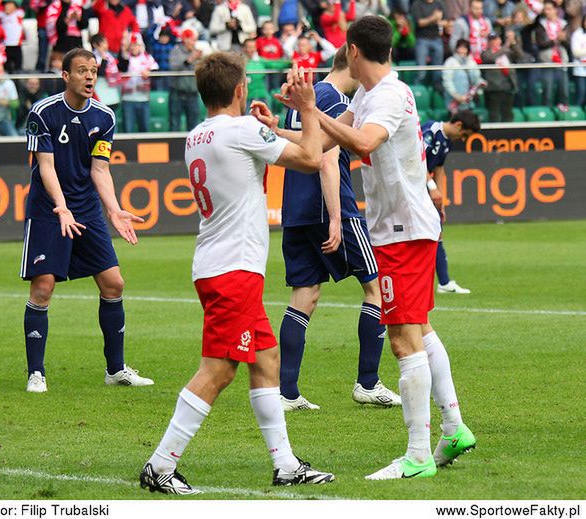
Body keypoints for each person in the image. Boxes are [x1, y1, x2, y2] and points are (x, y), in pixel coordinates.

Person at [266, 15, 475, 480]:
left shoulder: (388, 95)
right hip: (398, 227)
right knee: (419, 327)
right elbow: (318, 144)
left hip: (403, 229)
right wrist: (277, 126)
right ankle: (454, 428)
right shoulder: (365, 95)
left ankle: (419, 454)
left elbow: (361, 141)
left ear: (354, 51)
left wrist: (310, 107)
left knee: (402, 337)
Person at [140, 52, 334, 495]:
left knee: (266, 359)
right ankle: (160, 465)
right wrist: (306, 108)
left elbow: (248, 152)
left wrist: (265, 128)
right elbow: (310, 156)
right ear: (241, 89)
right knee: (220, 369)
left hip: (214, 263)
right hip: (234, 268)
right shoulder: (244, 130)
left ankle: (285, 465)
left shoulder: (196, 135)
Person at [252, 45, 401, 412]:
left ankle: (286, 392)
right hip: (331, 207)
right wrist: (337, 217)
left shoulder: (305, 98)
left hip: (297, 210)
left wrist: (273, 129)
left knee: (305, 294)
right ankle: (368, 382)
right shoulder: (332, 99)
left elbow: (300, 145)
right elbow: (328, 159)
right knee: (376, 287)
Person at [21, 48, 153, 393]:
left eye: (93, 70)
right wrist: (61, 207)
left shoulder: (105, 117)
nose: (90, 76)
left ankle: (116, 369)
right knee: (44, 286)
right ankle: (36, 372)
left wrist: (113, 209)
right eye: (82, 71)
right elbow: (45, 166)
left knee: (114, 284)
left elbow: (100, 169)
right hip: (48, 210)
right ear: (66, 76)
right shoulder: (42, 113)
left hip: (87, 207)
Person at [421, 110, 480, 295]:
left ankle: (444, 282)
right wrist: (432, 187)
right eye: (464, 135)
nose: (462, 139)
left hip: (423, 188)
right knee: (424, 235)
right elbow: (415, 160)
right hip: (411, 188)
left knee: (436, 231)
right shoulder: (430, 131)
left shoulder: (446, 140)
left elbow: (439, 169)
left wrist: (441, 202)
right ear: (459, 125)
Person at [481, 30, 521, 122]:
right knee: (494, 114)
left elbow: (519, 55)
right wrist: (505, 47)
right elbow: (491, 58)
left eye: (496, 39)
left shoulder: (506, 51)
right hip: (494, 88)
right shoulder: (485, 53)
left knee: (508, 114)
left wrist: (513, 42)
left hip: (508, 85)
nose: (494, 42)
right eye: (492, 40)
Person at [410, 0, 446, 89]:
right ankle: (418, 92)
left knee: (438, 71)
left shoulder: (439, 3)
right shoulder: (417, 4)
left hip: (437, 39)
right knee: (421, 71)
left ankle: (436, 94)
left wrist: (440, 21)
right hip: (422, 39)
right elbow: (419, 23)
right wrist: (433, 18)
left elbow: (446, 21)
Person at [442, 39, 484, 113]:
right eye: (460, 47)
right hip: (454, 103)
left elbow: (476, 79)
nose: (462, 50)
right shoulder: (450, 62)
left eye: (464, 48)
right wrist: (457, 96)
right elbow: (447, 81)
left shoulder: (472, 62)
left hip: (469, 102)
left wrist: (481, 83)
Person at [571, 15, 586, 108]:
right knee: (581, 92)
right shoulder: (577, 34)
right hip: (580, 70)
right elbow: (576, 52)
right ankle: (577, 115)